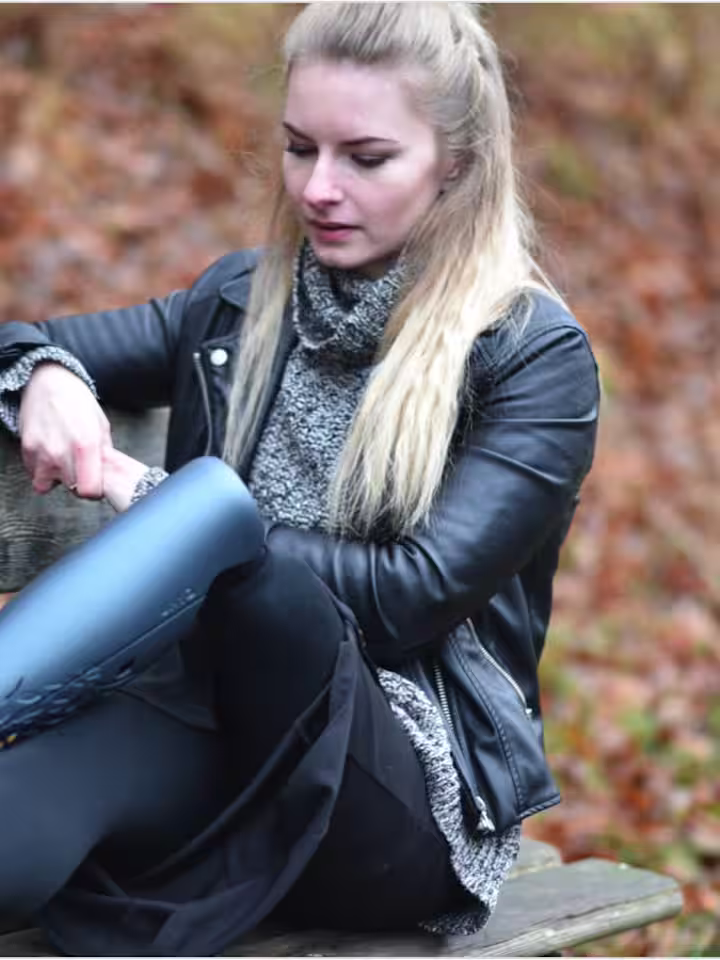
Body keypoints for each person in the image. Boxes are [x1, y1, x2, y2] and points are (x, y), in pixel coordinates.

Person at [0, 3, 600, 956]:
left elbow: (413, 596)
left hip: (399, 794)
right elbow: (28, 338)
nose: (319, 188)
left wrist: (179, 523)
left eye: (365, 158)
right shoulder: (238, 301)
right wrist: (41, 375)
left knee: (230, 539)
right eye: (298, 148)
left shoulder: (528, 357)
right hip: (217, 723)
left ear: (455, 162)